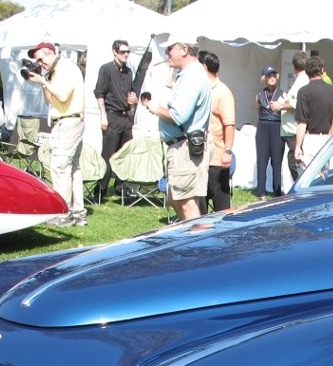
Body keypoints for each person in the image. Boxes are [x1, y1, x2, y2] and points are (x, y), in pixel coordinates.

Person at [144, 40, 211, 222]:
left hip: (185, 148)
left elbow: (179, 116)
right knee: (176, 199)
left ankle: (197, 248)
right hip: (183, 146)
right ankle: (193, 243)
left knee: (187, 204)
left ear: (184, 49)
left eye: (169, 49)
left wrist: (156, 108)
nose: (166, 53)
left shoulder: (192, 77)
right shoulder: (189, 74)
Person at [26, 41, 88, 227]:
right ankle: (78, 213)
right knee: (73, 169)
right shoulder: (54, 71)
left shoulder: (66, 68)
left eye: (41, 59)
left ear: (50, 53)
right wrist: (43, 81)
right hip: (68, 120)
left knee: (60, 167)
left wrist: (44, 81)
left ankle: (63, 214)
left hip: (68, 121)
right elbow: (49, 100)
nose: (40, 63)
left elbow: (62, 96)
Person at [94, 39, 137, 200]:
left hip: (126, 117)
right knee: (108, 155)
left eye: (128, 52)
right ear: (114, 52)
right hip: (111, 115)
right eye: (122, 52)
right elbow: (99, 93)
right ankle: (100, 190)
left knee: (125, 154)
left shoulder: (128, 71)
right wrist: (103, 116)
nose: (126, 54)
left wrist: (132, 101)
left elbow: (129, 93)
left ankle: (120, 187)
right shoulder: (106, 69)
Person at [200, 50, 235, 212]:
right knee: (200, 205)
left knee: (221, 206)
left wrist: (227, 151)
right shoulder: (199, 89)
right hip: (199, 156)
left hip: (217, 158)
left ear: (204, 66)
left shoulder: (222, 92)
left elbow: (229, 124)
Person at [295, 55, 333, 173]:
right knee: (329, 178)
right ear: (322, 70)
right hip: (330, 138)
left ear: (306, 71)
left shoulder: (304, 92)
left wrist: (297, 146)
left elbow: (302, 123)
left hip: (311, 139)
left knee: (309, 178)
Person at [271, 51, 308, 183]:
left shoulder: (302, 81)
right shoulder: (301, 80)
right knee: (293, 162)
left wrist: (280, 105)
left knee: (295, 163)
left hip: (294, 129)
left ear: (294, 66)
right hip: (292, 129)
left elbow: (296, 103)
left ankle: (300, 191)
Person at [254, 66, 284, 200]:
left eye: (273, 75)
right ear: (264, 79)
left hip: (277, 126)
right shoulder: (259, 95)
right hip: (263, 127)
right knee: (262, 160)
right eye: (268, 76)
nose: (271, 78)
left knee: (277, 161)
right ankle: (261, 192)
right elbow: (258, 111)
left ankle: (277, 191)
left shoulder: (283, 94)